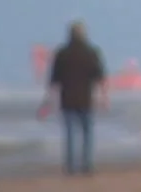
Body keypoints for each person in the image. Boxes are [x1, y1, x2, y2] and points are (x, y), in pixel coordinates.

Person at [39, 21, 108, 176]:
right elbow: (100, 77)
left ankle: (70, 166)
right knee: (87, 134)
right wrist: (104, 97)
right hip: (85, 99)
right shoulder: (91, 53)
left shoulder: (62, 54)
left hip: (68, 100)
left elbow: (54, 80)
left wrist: (49, 101)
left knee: (70, 135)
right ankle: (86, 165)